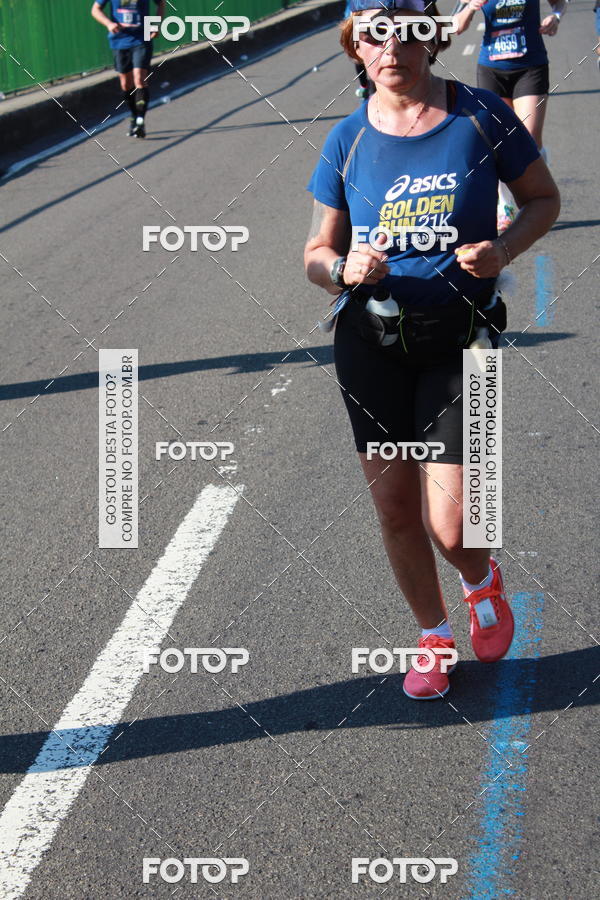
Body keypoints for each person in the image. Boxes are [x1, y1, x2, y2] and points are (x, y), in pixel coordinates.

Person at [304, 0, 560, 699]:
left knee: (451, 525)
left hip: (462, 341)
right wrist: (344, 268)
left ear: (432, 38)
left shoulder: (482, 115)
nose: (392, 47)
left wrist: (504, 248)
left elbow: (543, 199)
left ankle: (481, 579)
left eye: (409, 30)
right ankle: (433, 637)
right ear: (356, 47)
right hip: (372, 341)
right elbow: (315, 254)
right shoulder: (347, 139)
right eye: (374, 34)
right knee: (394, 509)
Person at [454, 0, 566, 230]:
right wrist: (471, 7)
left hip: (531, 67)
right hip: (491, 70)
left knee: (529, 138)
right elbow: (456, 26)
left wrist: (555, 17)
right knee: (500, 142)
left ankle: (537, 195)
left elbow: (560, 4)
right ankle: (506, 205)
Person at [91, 0, 165, 138]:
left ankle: (140, 121)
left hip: (142, 39)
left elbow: (161, 3)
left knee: (139, 79)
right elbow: (95, 9)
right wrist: (108, 23)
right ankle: (134, 116)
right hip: (119, 41)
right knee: (125, 84)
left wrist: (155, 25)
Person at [345, 0, 374, 98]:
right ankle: (364, 85)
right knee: (358, 54)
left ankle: (365, 85)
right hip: (357, 16)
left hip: (369, 15)